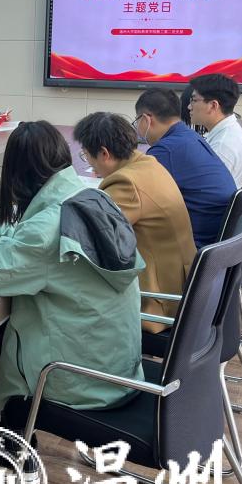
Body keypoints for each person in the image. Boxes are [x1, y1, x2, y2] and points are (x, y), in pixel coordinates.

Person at [0, 121, 144, 434]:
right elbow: (40, 241)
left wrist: (3, 243)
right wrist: (5, 233)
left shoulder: (43, 233)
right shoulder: (92, 196)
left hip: (79, 378)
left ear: (16, 174)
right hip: (117, 364)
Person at [74, 112, 196, 331]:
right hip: (183, 287)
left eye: (87, 156)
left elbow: (88, 234)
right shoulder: (148, 164)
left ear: (104, 153)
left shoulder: (126, 183)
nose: (90, 165)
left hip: (158, 303)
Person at [134, 88, 237, 247]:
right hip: (216, 242)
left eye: (137, 121)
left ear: (147, 119)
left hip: (195, 245)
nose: (137, 127)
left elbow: (134, 198)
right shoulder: (189, 137)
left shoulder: (165, 150)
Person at [188, 73, 242, 188]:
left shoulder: (222, 146)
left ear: (213, 105)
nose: (189, 107)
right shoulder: (233, 126)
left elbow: (204, 191)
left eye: (194, 100)